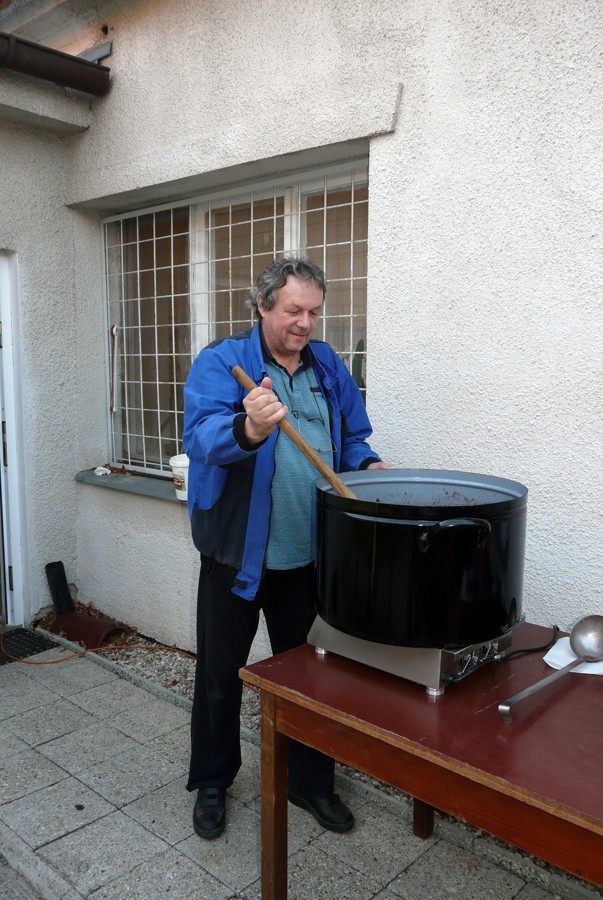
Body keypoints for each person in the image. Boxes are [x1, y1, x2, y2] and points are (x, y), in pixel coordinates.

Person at [182, 255, 390, 840]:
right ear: (262, 305)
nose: (305, 322)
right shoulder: (224, 361)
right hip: (236, 558)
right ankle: (213, 782)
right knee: (220, 675)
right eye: (294, 310)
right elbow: (200, 437)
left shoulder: (327, 365)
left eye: (314, 312)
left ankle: (310, 782)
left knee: (308, 678)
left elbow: (352, 436)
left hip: (308, 557)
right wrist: (249, 428)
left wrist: (370, 466)